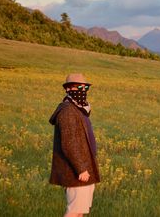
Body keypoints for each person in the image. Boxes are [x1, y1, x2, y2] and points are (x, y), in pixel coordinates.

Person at [49, 73, 101, 217]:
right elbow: (69, 144)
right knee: (74, 211)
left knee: (80, 212)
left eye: (85, 88)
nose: (82, 90)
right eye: (79, 87)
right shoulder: (67, 111)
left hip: (84, 168)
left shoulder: (78, 109)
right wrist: (81, 168)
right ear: (69, 89)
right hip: (75, 171)